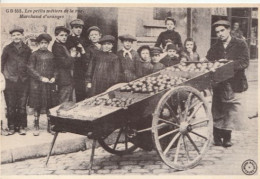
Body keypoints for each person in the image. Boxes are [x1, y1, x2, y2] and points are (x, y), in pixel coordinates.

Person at [206, 20, 249, 148]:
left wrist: (228, 65)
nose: (220, 34)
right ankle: (217, 136)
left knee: (230, 111)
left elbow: (245, 62)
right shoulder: (215, 47)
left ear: (228, 29)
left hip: (235, 82)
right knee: (218, 109)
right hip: (219, 83)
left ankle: (227, 137)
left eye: (222, 30)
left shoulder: (240, 44)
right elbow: (208, 60)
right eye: (217, 32)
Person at [1, 25, 31, 135]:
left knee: (22, 105)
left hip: (23, 81)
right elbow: (2, 63)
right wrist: (3, 76)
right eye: (14, 35)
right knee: (11, 105)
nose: (16, 37)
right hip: (10, 81)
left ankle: (22, 126)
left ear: (22, 36)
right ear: (11, 37)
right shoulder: (7, 49)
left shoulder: (27, 49)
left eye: (18, 35)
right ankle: (12, 126)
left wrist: (28, 77)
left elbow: (30, 65)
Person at [27, 33, 58, 136]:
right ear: (38, 44)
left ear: (48, 44)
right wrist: (40, 78)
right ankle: (36, 126)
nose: (44, 45)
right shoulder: (34, 55)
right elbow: (30, 69)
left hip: (49, 84)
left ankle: (50, 126)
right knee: (37, 104)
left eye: (46, 43)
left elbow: (56, 69)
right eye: (42, 43)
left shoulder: (51, 55)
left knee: (49, 104)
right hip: (37, 84)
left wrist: (54, 77)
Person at [52, 26, 75, 104]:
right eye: (61, 35)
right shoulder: (56, 47)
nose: (64, 37)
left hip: (67, 78)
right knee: (63, 102)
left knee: (67, 101)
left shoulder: (62, 45)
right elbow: (65, 63)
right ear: (56, 36)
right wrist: (72, 56)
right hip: (63, 79)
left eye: (65, 35)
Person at [67, 19, 88, 102]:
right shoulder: (67, 39)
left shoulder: (84, 40)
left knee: (80, 90)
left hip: (80, 69)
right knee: (69, 92)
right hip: (70, 68)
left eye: (80, 28)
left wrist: (82, 53)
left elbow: (85, 55)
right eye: (76, 27)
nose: (79, 30)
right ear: (72, 29)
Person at [85, 26, 102, 95]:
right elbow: (87, 64)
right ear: (89, 37)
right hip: (93, 73)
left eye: (96, 35)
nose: (94, 36)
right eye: (91, 35)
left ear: (100, 36)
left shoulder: (104, 46)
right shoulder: (88, 49)